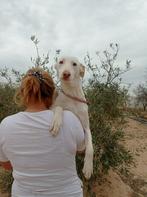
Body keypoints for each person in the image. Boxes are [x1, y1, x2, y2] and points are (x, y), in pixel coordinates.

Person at [0, 67, 85, 197]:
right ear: (52, 93)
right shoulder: (69, 119)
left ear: (23, 94)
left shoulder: (6, 125)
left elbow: (5, 164)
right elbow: (81, 149)